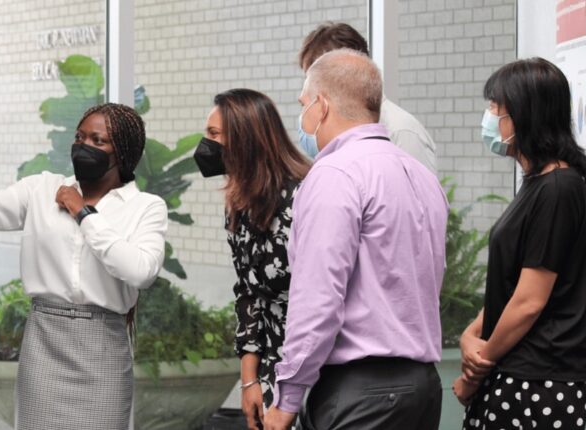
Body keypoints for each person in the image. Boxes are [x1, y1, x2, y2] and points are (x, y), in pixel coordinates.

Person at [0, 103, 167, 430]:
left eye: (98, 141)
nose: (84, 146)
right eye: (79, 137)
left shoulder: (146, 207)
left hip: (104, 352)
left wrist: (82, 212)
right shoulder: (41, 189)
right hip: (44, 345)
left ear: (123, 154)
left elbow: (141, 271)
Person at [263, 49, 448, 430]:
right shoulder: (421, 175)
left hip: (361, 395)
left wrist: (287, 399)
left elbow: (318, 296)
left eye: (303, 104)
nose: (301, 117)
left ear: (322, 105)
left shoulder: (335, 173)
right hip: (423, 388)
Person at [451, 58, 586, 430]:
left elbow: (530, 301)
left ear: (524, 114)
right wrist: (471, 335)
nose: (489, 117)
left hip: (538, 382)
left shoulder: (558, 189)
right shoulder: (538, 184)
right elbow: (513, 285)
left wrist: (475, 369)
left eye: (495, 108)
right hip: (517, 376)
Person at [192, 88, 311, 430]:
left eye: (214, 135)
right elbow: (248, 292)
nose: (207, 145)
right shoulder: (238, 203)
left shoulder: (303, 197)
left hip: (316, 366)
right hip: (271, 365)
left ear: (244, 140)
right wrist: (249, 380)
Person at [299, 22, 438, 176]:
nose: (310, 88)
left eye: (317, 76)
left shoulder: (401, 131)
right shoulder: (337, 136)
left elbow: (414, 198)